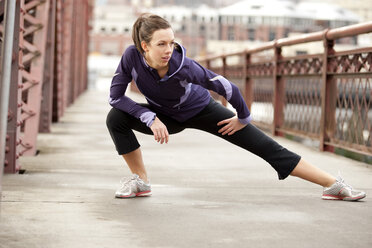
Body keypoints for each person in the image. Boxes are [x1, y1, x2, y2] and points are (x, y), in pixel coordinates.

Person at [106, 13, 366, 201]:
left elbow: (228, 88)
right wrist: (150, 116)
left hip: (202, 111)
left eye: (172, 43)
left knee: (266, 146)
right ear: (144, 46)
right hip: (165, 116)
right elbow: (116, 97)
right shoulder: (131, 57)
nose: (169, 50)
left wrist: (243, 117)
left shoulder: (185, 66)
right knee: (115, 118)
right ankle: (140, 181)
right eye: (161, 44)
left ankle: (332, 184)